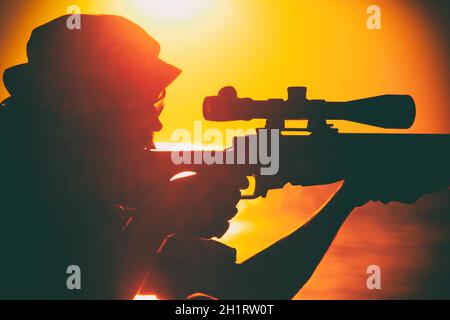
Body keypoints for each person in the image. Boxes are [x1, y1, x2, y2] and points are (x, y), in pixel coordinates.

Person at [1, 14, 447, 300]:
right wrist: (160, 216)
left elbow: (250, 296)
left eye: (155, 104)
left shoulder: (91, 199)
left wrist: (350, 197)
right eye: (139, 102)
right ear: (75, 104)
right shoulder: (18, 188)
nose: (154, 124)